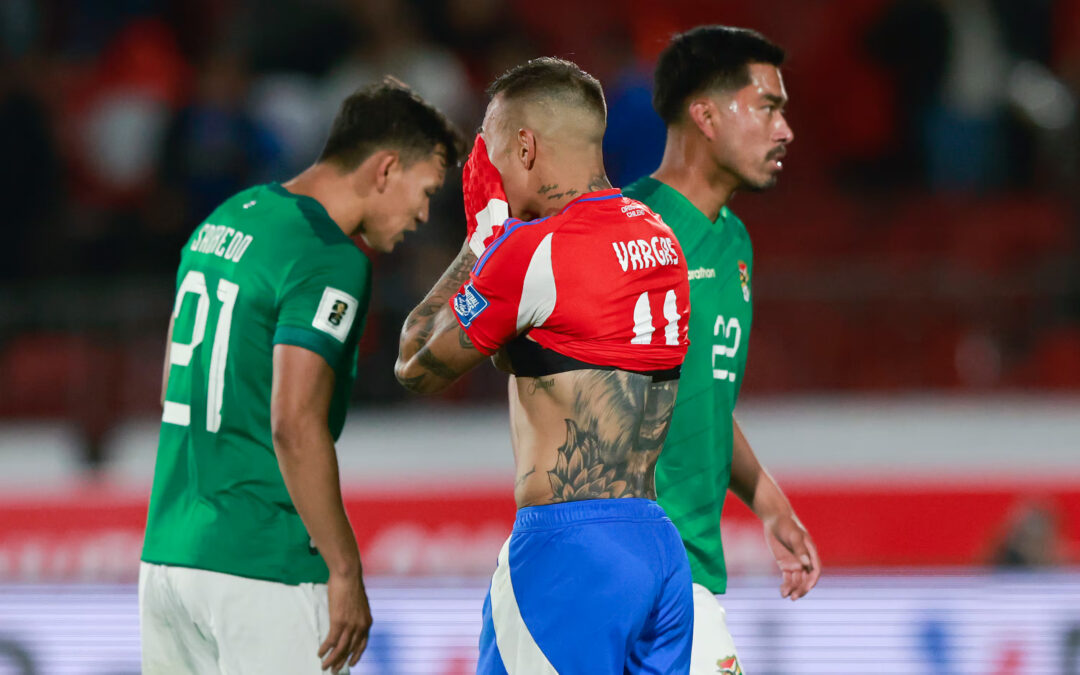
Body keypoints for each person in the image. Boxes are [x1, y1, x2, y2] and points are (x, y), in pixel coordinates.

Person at [140, 79, 464, 675]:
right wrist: (345, 569)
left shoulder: (228, 217)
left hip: (167, 561)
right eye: (427, 190)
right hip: (262, 563)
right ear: (385, 169)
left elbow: (169, 386)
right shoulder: (328, 256)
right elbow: (294, 422)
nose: (423, 214)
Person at [395, 57, 695, 674]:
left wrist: (482, 239)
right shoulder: (662, 237)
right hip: (658, 548)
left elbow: (415, 364)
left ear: (525, 146)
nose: (491, 173)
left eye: (494, 153)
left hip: (567, 552)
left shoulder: (532, 252)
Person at [622, 26, 822, 674]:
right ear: (705, 114)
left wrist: (767, 497)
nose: (786, 129)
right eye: (767, 106)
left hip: (690, 572)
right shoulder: (623, 235)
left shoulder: (735, 243)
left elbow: (696, 392)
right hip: (626, 573)